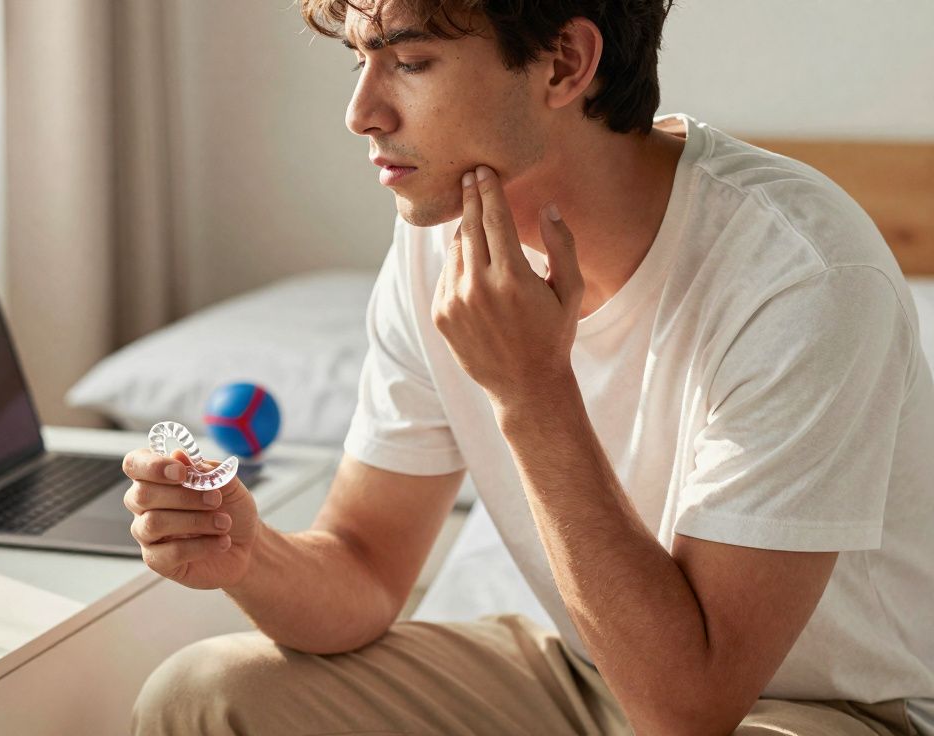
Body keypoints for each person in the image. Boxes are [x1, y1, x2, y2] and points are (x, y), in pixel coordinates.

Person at [121, 0, 934, 733]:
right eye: (359, 58)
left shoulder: (801, 276)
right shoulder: (441, 236)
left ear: (563, 64)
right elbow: (366, 567)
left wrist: (531, 393)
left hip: (815, 710)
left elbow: (691, 709)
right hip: (582, 674)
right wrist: (250, 551)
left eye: (408, 62)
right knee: (204, 692)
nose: (361, 113)